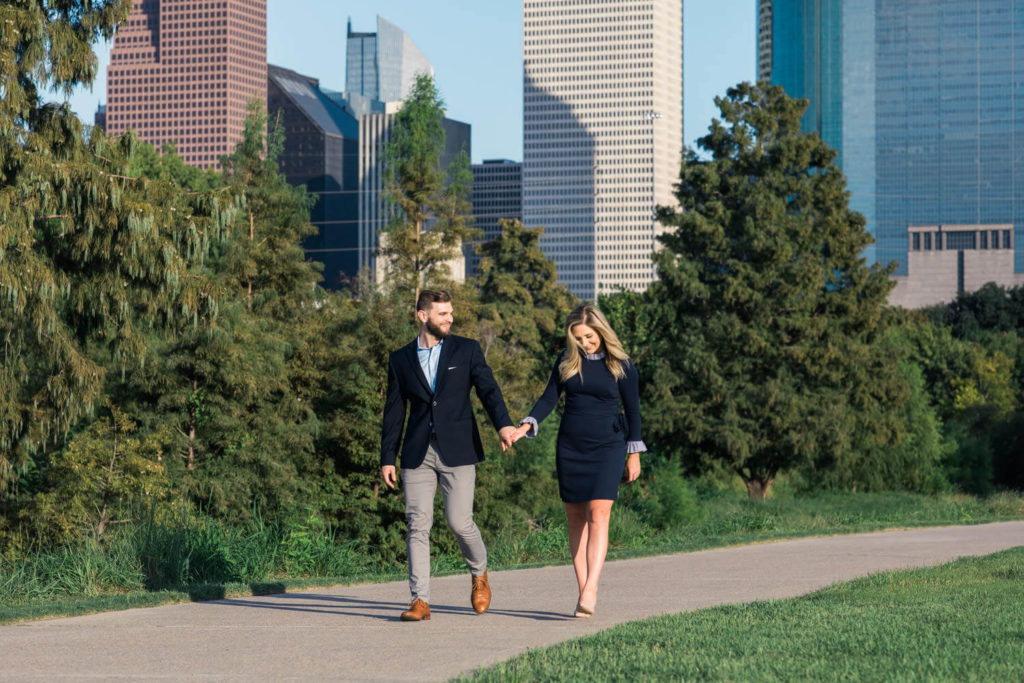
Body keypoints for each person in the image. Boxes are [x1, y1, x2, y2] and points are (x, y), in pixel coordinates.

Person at [381, 290, 518, 622]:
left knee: (460, 522)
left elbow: (488, 389)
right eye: (442, 314)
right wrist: (388, 456)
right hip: (418, 452)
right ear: (423, 316)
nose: (450, 318)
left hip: (458, 448)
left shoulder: (466, 349)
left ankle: (479, 574)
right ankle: (420, 600)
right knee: (417, 524)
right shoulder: (400, 359)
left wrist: (503, 425)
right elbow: (394, 411)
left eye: (451, 313)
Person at [510, 304, 645, 618]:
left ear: (600, 330)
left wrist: (633, 453)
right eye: (578, 338)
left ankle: (591, 589)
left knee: (599, 512)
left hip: (608, 445)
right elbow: (548, 398)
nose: (585, 343)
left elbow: (634, 411)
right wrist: (526, 425)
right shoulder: (566, 361)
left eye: (588, 336)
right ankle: (584, 591)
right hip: (571, 446)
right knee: (575, 519)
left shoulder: (622, 365)